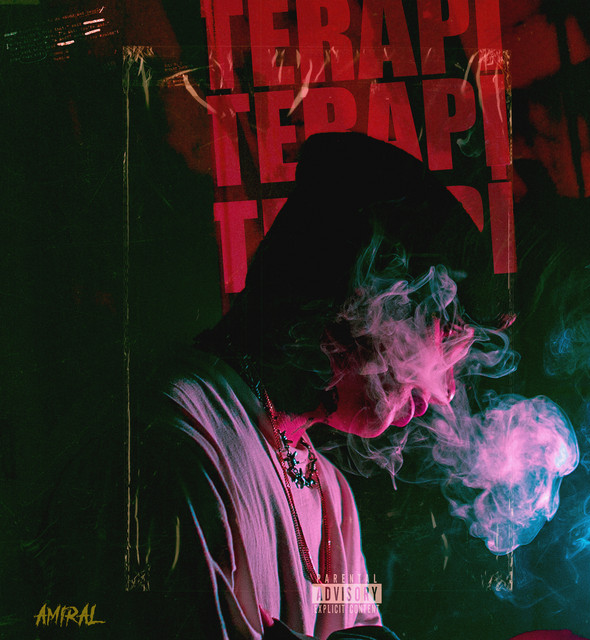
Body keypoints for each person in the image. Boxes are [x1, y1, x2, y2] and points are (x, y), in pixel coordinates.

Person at [138, 132, 488, 639]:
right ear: (360, 300)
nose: (445, 390)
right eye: (442, 338)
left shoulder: (333, 496)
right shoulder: (182, 433)